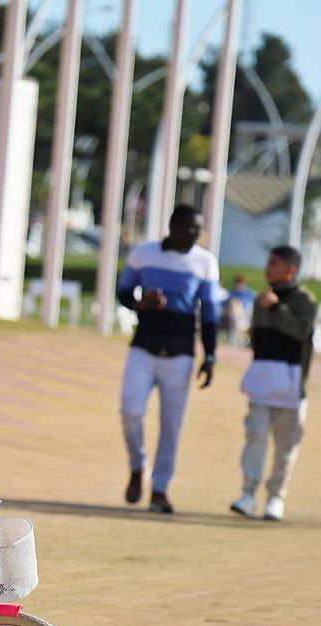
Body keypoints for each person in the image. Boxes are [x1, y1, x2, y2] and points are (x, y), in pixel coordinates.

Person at [115, 205, 221, 514]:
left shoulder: (205, 262)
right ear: (172, 226)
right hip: (143, 346)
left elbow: (210, 314)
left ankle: (159, 489)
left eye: (198, 230)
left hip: (181, 352)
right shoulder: (143, 253)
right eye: (190, 228)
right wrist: (141, 304)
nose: (195, 235)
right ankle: (138, 466)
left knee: (171, 424)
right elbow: (123, 293)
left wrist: (210, 355)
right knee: (130, 412)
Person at [230, 246, 317, 522]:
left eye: (274, 264)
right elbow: (257, 340)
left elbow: (302, 332)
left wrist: (278, 308)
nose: (268, 268)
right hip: (262, 383)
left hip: (291, 386)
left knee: (286, 447)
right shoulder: (259, 300)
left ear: (291, 270)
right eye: (268, 262)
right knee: (254, 438)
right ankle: (248, 494)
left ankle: (275, 497)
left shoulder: (305, 300)